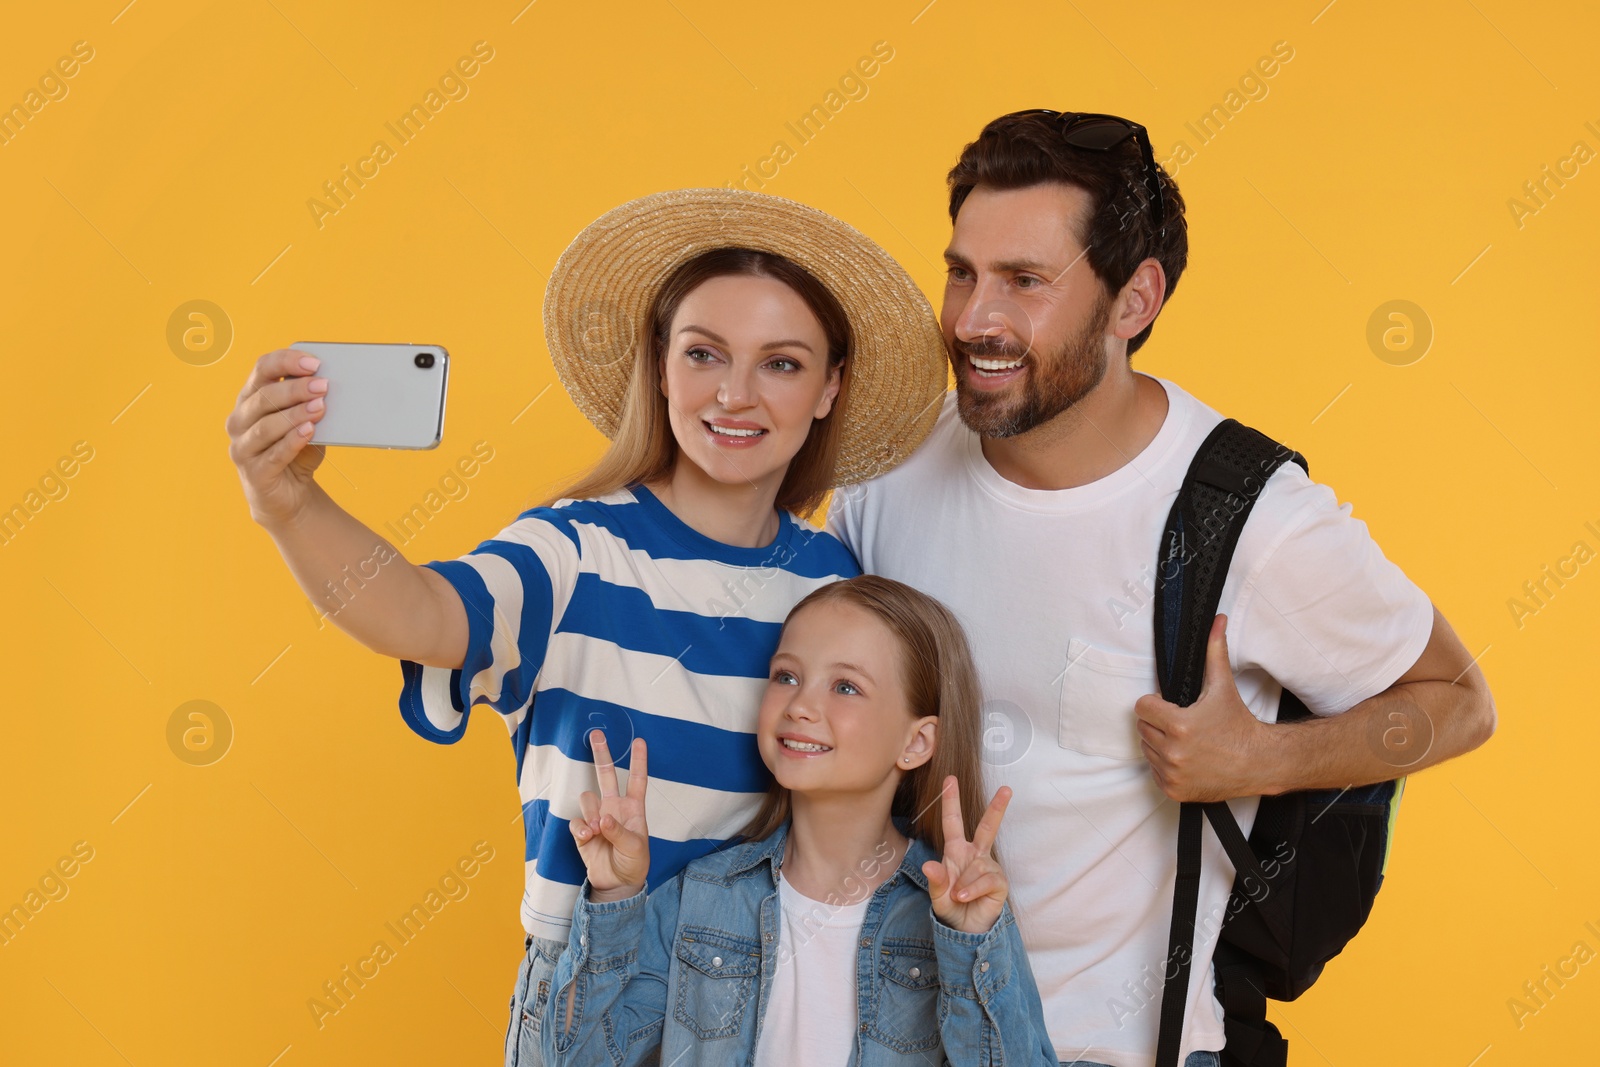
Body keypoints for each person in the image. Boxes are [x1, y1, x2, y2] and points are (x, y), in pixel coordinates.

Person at [826, 110, 1497, 1067]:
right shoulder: (891, 463)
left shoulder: (1251, 516)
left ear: (1134, 298)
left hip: (1111, 1049)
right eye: (962, 272)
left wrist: (1261, 758)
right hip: (889, 1037)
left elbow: (1462, 703)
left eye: (1025, 282)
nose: (973, 319)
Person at [223, 188, 948, 1066]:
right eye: (703, 353)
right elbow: (420, 614)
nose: (735, 392)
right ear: (659, 365)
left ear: (831, 385)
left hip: (774, 997)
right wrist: (287, 501)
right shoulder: (575, 552)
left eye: (782, 364)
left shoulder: (831, 583)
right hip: (593, 995)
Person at [540, 575, 1057, 1067]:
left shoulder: (965, 919)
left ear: (916, 742)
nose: (801, 705)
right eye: (787, 676)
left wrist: (968, 947)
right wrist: (612, 897)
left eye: (846, 687)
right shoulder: (700, 896)